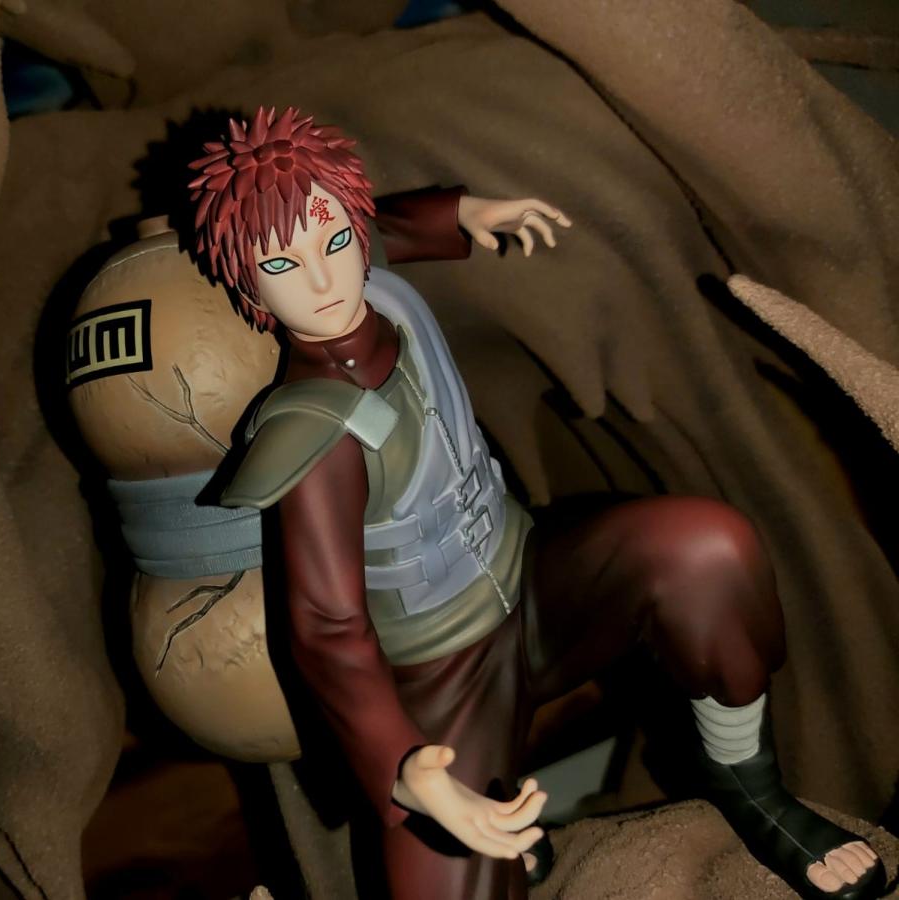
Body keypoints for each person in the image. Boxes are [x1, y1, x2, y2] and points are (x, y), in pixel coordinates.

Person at [188, 105, 884, 900]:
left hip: (527, 572)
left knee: (705, 551)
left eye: (334, 241)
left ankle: (750, 788)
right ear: (246, 281)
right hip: (438, 673)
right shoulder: (314, 434)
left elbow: (378, 227)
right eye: (281, 264)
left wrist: (464, 213)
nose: (323, 281)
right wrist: (407, 768)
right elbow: (326, 629)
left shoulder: (369, 277)